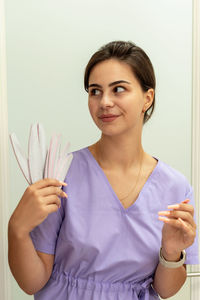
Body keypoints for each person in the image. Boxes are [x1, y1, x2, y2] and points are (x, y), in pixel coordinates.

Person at [8, 41, 199, 300]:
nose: (104, 102)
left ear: (147, 98)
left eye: (118, 89)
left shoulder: (174, 186)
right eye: (95, 91)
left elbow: (165, 290)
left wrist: (171, 252)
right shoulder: (61, 172)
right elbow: (32, 282)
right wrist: (17, 228)